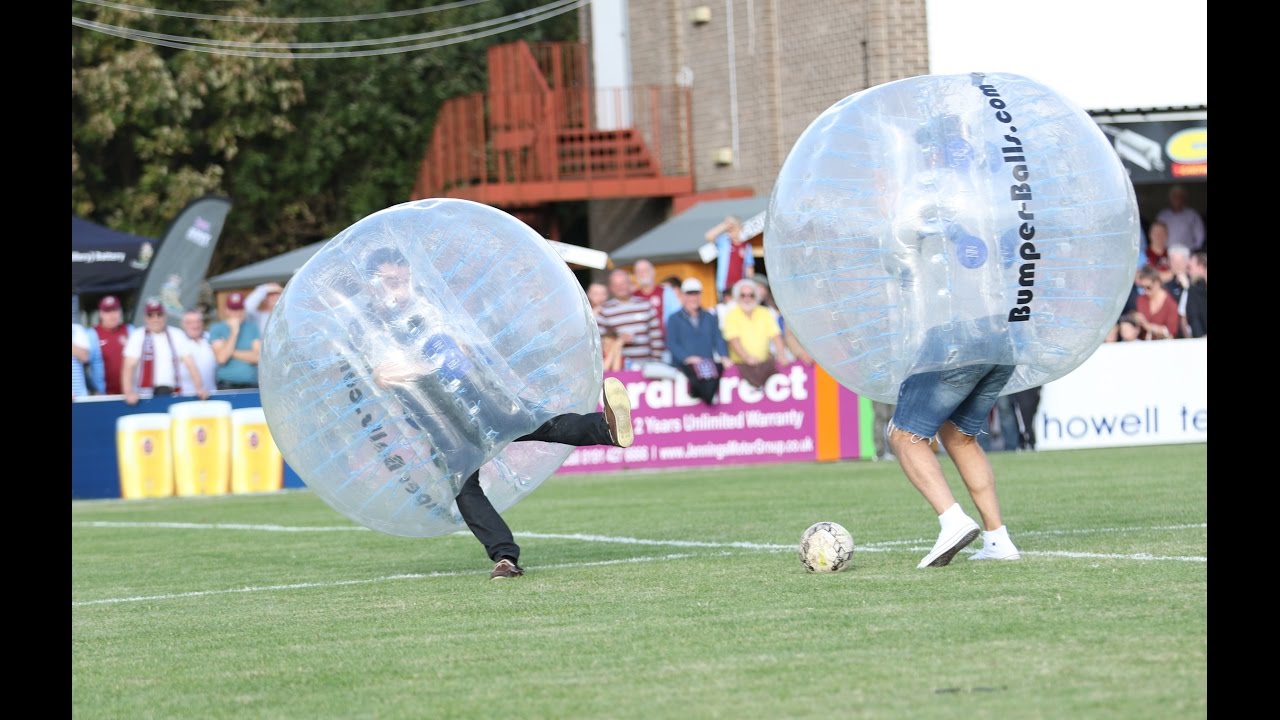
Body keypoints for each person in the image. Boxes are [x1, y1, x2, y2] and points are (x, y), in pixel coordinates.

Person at [364, 247, 636, 580]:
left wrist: (428, 361)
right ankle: (505, 558)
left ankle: (607, 427)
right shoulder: (373, 326)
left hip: (475, 396)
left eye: (404, 280)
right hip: (438, 419)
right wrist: (429, 364)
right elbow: (384, 374)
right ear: (375, 284)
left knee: (538, 423)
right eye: (392, 282)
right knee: (466, 486)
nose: (401, 288)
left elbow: (458, 348)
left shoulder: (427, 307)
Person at [121, 299, 211, 404]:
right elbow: (128, 366)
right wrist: (128, 392)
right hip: (143, 396)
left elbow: (190, 364)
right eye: (151, 315)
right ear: (145, 318)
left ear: (165, 316)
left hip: (172, 394)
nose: (156, 319)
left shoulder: (177, 334)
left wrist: (199, 388)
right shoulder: (137, 335)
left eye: (159, 314)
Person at [665, 278, 727, 405]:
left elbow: (718, 338)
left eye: (696, 293)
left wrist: (724, 356)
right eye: (689, 294)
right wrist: (687, 358)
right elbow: (671, 343)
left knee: (708, 395)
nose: (693, 297)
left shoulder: (710, 317)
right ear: (682, 295)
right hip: (684, 369)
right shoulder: (674, 318)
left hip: (706, 368)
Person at [209, 292, 262, 389]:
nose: (237, 313)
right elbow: (221, 359)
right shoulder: (217, 329)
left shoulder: (252, 327)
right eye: (233, 309)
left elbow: (258, 358)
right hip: (226, 385)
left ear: (244, 310)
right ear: (226, 310)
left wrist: (230, 351)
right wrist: (234, 332)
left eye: (239, 309)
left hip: (250, 384)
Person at [704, 215, 755, 299]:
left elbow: (749, 268)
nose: (733, 231)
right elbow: (708, 236)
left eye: (735, 228)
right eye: (731, 229)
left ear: (740, 228)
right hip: (724, 287)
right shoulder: (724, 242)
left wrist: (749, 285)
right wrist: (724, 225)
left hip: (739, 288)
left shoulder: (746, 246)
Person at [91, 295, 133, 396]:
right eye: (107, 311)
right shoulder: (92, 334)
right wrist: (92, 389)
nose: (112, 315)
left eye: (115, 310)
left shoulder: (131, 330)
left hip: (130, 393)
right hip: (104, 395)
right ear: (101, 314)